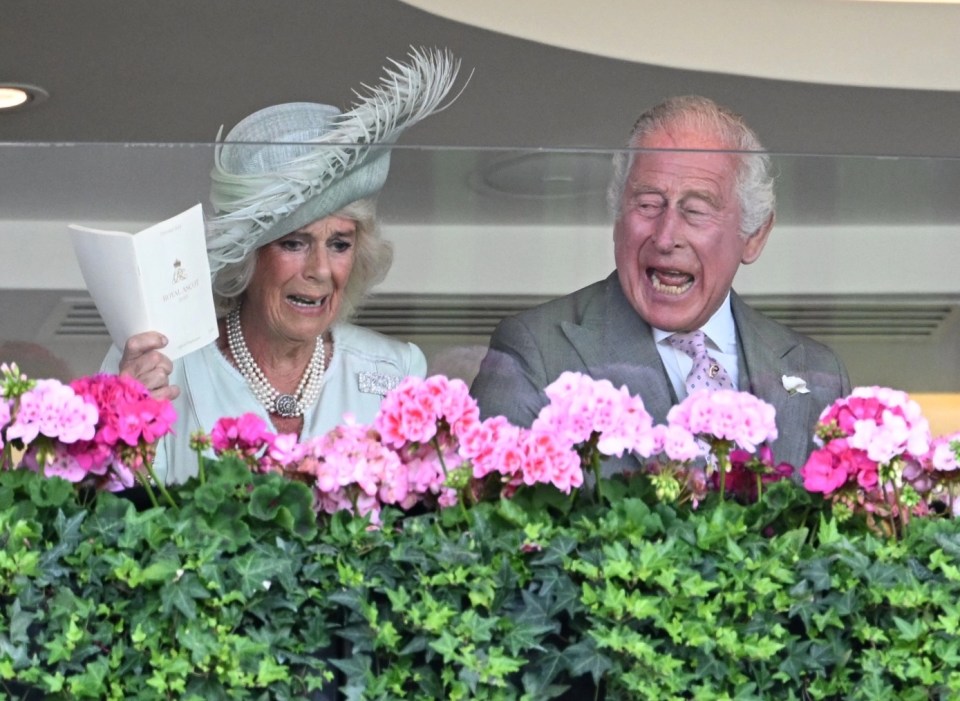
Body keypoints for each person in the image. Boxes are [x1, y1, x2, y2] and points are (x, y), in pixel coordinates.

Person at [103, 48, 464, 484]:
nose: (321, 270)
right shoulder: (165, 364)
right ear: (248, 257)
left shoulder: (395, 371)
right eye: (294, 243)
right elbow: (112, 515)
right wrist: (124, 426)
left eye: (340, 244)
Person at [471, 95, 851, 471]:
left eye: (696, 210)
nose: (666, 237)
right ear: (618, 216)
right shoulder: (536, 352)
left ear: (753, 236)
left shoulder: (816, 371)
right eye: (648, 205)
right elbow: (488, 520)